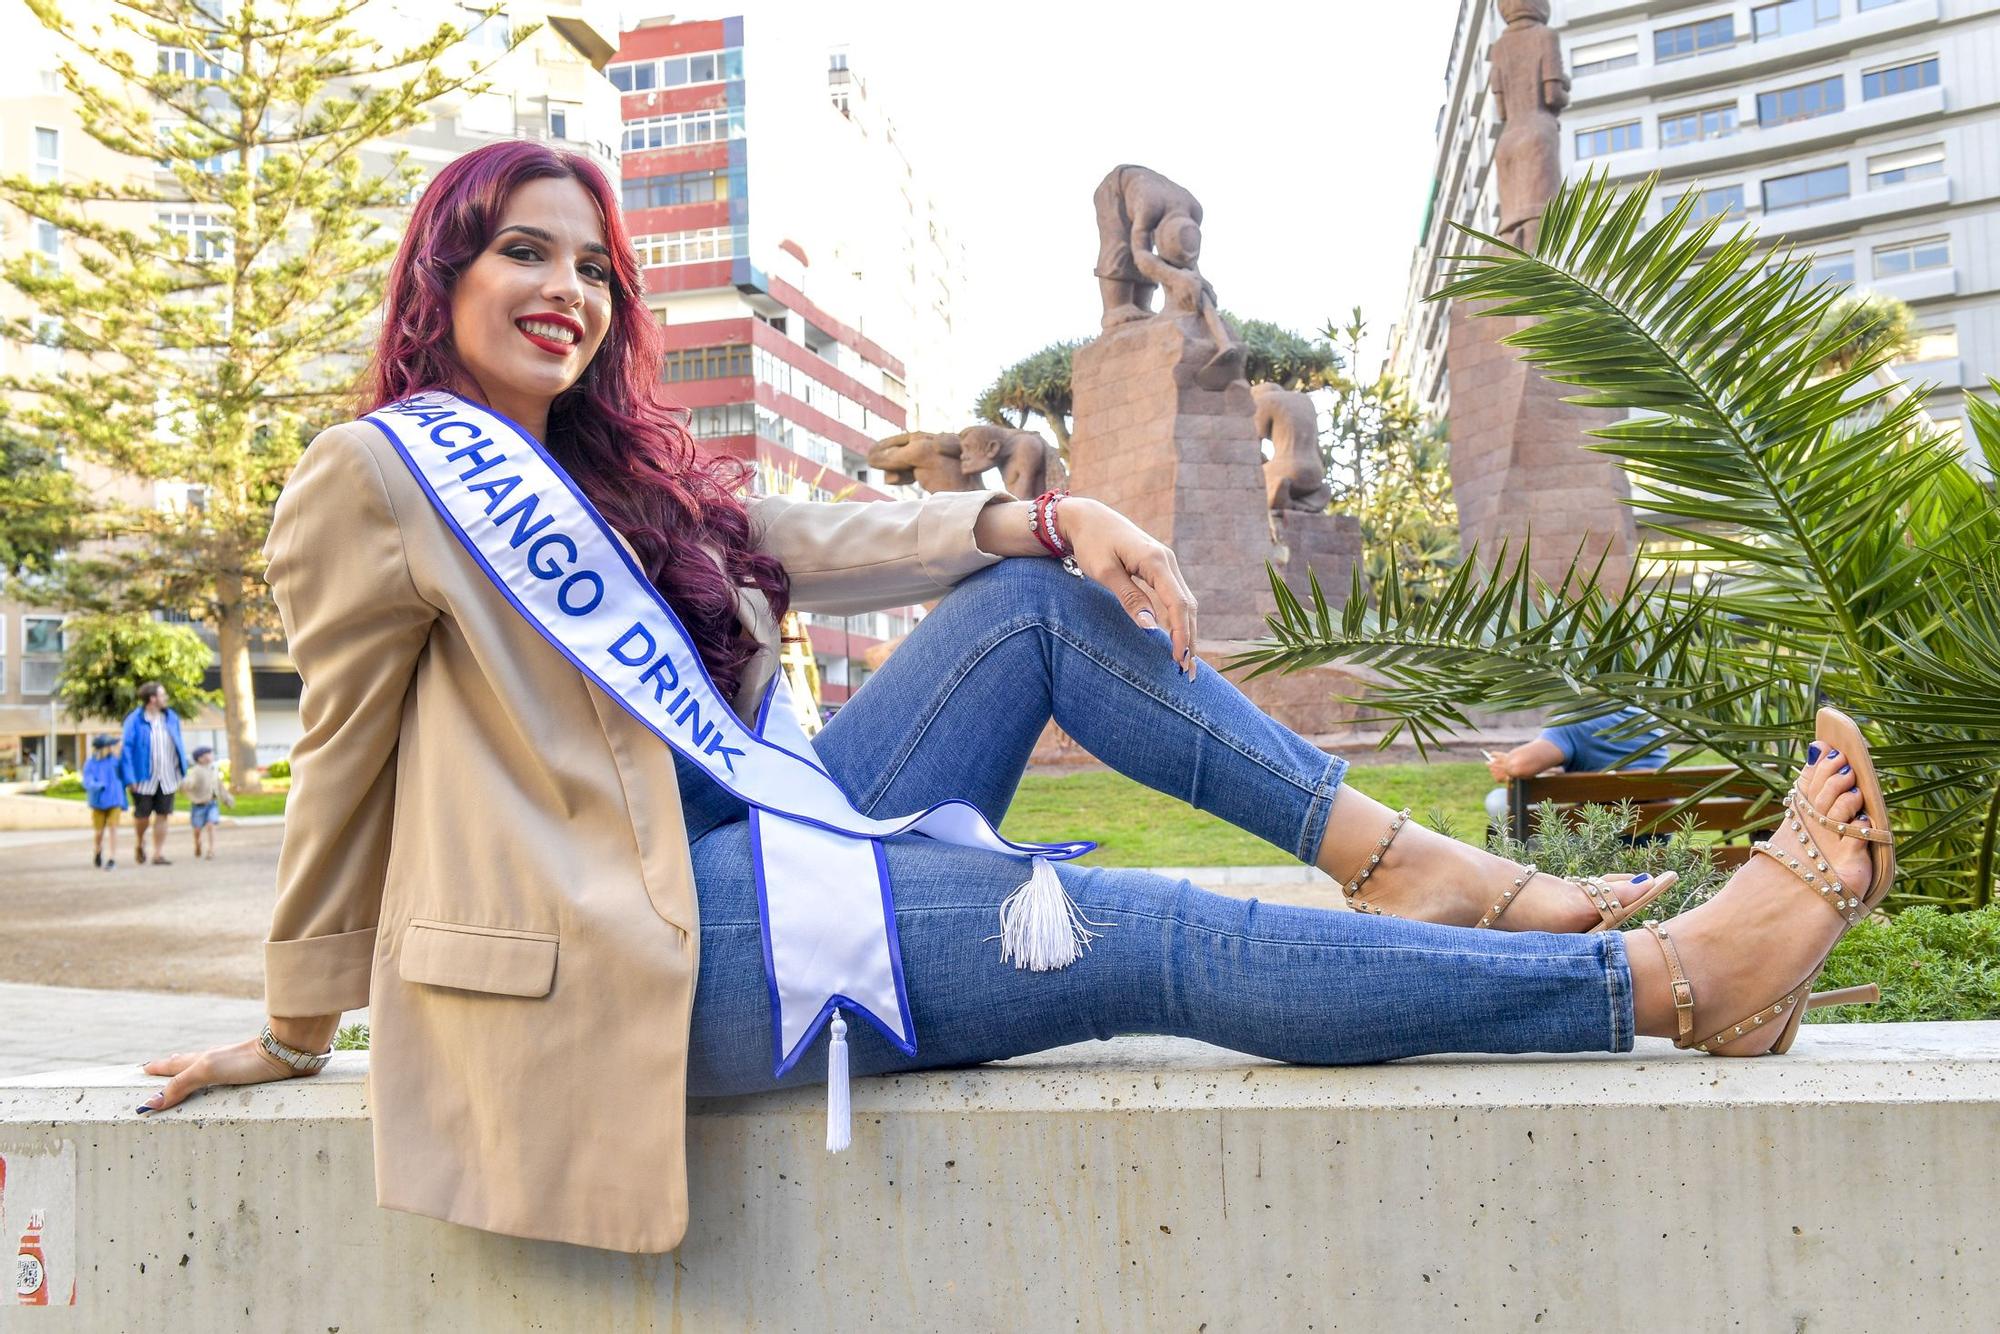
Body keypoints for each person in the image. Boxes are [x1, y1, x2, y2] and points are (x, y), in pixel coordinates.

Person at [135, 142, 1892, 1256]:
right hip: (628, 947)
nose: (568, 292)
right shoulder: (381, 477)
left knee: (1041, 603)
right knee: (1128, 928)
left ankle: (1402, 860)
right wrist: (293, 1025)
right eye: (525, 253)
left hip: (756, 839)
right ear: (442, 272)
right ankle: (1673, 982)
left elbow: (810, 528)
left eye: (593, 267)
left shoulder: (624, 474)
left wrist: (1048, 515)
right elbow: (339, 762)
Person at [1484, 705, 1671, 829]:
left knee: (1498, 799)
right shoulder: (1647, 719)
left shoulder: (1575, 721)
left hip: (1590, 845)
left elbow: (1519, 765)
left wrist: (1506, 765)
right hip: (1651, 840)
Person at [119, 681, 188, 867]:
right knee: (142, 816)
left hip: (167, 776)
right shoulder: (135, 720)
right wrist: (130, 777)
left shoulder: (171, 718)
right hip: (143, 778)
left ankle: (158, 853)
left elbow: (178, 744)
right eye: (162, 695)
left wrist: (182, 772)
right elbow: (126, 749)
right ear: (152, 699)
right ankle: (140, 841)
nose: (166, 698)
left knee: (163, 814)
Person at [181, 746, 235, 860]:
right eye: (205, 755)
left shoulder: (214, 770)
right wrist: (187, 785)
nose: (208, 757)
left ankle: (211, 849)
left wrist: (227, 799)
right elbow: (190, 782)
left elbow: (219, 787)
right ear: (199, 759)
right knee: (197, 829)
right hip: (198, 805)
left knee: (211, 825)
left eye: (209, 754)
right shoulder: (196, 770)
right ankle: (197, 842)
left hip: (212, 803)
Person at [83, 734, 127, 870]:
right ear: (103, 748)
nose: (112, 748)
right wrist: (98, 785)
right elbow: (88, 781)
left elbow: (126, 769)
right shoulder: (90, 763)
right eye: (110, 746)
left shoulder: (115, 761)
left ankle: (112, 858)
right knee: (99, 832)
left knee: (113, 828)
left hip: (115, 800)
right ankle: (98, 850)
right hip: (99, 802)